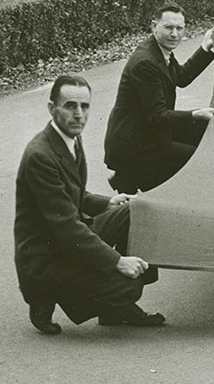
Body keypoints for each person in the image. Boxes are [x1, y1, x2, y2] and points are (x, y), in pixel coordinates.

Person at [15, 75, 165, 334]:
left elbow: (73, 194)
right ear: (52, 108)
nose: (79, 114)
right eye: (70, 106)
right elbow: (67, 228)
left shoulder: (68, 137)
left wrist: (109, 203)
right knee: (130, 284)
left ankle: (115, 308)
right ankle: (44, 296)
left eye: (85, 107)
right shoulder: (40, 156)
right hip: (46, 258)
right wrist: (118, 261)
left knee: (135, 211)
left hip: (65, 241)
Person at [104, 2, 214, 194]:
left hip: (147, 133)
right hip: (136, 146)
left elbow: (181, 78)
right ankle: (130, 175)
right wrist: (195, 113)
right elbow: (158, 116)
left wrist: (205, 47)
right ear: (153, 26)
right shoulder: (145, 63)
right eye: (168, 27)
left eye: (179, 28)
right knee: (198, 158)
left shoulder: (158, 50)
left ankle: (126, 177)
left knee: (203, 133)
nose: (175, 34)